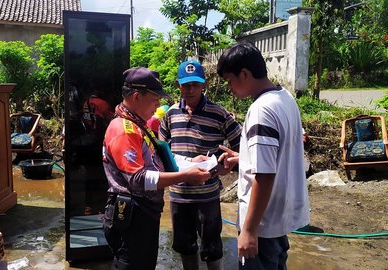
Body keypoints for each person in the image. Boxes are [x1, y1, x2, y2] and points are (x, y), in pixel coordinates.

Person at [102, 66, 211, 270]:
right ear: (136, 96)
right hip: (132, 216)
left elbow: (155, 159)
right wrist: (184, 175)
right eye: (155, 99)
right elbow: (138, 179)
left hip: (143, 214)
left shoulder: (137, 124)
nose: (158, 104)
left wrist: (189, 162)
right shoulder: (124, 129)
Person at [216, 43, 310, 270]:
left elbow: (265, 174)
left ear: (245, 74)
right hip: (278, 219)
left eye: (230, 81)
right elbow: (280, 153)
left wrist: (248, 230)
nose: (229, 88)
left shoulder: (261, 110)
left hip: (262, 225)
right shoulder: (284, 98)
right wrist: (245, 158)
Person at [159, 60, 242, 270]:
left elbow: (243, 147)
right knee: (185, 246)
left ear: (203, 84)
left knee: (212, 247)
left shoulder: (219, 114)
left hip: (208, 196)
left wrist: (227, 166)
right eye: (186, 85)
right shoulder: (170, 115)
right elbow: (161, 151)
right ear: (178, 85)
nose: (191, 89)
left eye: (195, 84)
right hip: (179, 195)